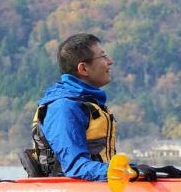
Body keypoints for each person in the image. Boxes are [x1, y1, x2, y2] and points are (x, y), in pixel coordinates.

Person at [23, 33, 163, 181]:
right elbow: (75, 167)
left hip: (95, 188)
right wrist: (127, 172)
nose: (110, 61)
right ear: (83, 69)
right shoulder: (64, 107)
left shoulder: (86, 103)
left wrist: (144, 170)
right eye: (103, 56)